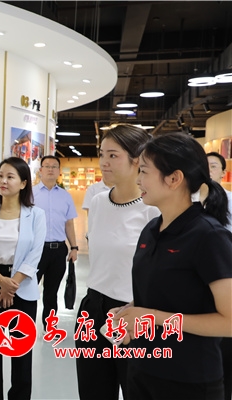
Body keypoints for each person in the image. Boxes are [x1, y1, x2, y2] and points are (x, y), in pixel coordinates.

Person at [115, 132, 232, 400]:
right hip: (142, 369)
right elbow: (165, 293)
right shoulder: (151, 229)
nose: (138, 180)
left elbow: (229, 322)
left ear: (174, 179)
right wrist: (130, 311)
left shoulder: (209, 236)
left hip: (189, 380)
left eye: (144, 171)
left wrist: (152, 317)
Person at [74, 124, 159, 400]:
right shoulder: (98, 202)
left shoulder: (153, 210)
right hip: (92, 309)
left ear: (137, 160)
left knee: (137, 391)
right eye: (102, 154)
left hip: (132, 313)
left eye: (113, 155)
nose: (103, 162)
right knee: (93, 392)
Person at [0, 157, 46, 400]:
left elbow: (35, 254)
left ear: (24, 183)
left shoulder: (36, 215)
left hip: (22, 287)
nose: (3, 181)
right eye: (0, 175)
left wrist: (11, 284)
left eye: (10, 177)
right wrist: (1, 281)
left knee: (21, 349)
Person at [32, 155, 78, 331]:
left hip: (58, 250)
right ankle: (24, 327)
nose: (50, 169)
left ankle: (50, 327)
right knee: (29, 290)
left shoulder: (65, 196)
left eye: (54, 166)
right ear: (40, 170)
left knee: (51, 293)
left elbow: (69, 223)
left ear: (59, 171)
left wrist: (74, 247)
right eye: (47, 166)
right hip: (36, 249)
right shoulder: (30, 194)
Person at [206, 151, 232, 400]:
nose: (208, 170)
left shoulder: (231, 201)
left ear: (223, 173)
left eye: (213, 166)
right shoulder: (190, 202)